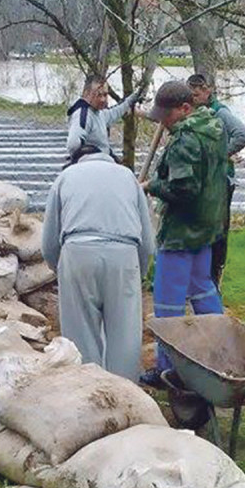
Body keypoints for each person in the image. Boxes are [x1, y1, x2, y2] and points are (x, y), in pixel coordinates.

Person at [139, 81, 228, 388]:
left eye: (166, 115)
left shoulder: (185, 142)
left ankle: (168, 370)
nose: (162, 121)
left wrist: (153, 186)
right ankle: (219, 350)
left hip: (181, 232)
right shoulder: (215, 126)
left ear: (185, 109)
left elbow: (184, 189)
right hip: (207, 225)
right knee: (203, 288)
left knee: (168, 304)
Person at [41, 144, 154, 382]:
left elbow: (49, 240)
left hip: (78, 250)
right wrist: (138, 273)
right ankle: (124, 395)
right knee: (124, 334)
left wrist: (59, 269)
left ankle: (88, 392)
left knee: (80, 331)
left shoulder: (66, 177)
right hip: (124, 253)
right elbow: (147, 240)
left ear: (77, 160)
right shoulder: (127, 177)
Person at [187, 73, 245, 287]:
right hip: (204, 182)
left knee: (218, 231)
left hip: (221, 181)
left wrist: (220, 154)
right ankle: (199, 278)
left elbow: (243, 135)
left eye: (197, 94)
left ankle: (214, 281)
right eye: (191, 95)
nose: (194, 98)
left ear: (208, 91)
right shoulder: (194, 112)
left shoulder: (220, 112)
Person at [66, 74, 143, 162]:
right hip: (92, 168)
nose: (102, 99)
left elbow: (115, 112)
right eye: (98, 95)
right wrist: (92, 156)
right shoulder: (83, 114)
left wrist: (132, 99)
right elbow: (73, 145)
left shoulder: (99, 113)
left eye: (105, 95)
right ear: (86, 93)